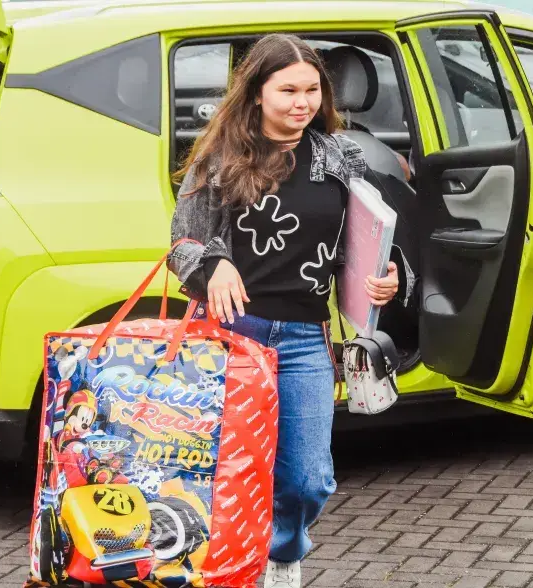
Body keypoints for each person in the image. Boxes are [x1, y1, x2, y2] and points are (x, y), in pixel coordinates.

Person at [167, 34, 403, 588]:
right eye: (288, 91)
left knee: (308, 479)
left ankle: (282, 551)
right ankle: (224, 564)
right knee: (226, 467)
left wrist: (389, 276)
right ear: (256, 92)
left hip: (303, 338)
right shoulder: (220, 158)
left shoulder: (339, 157)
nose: (303, 103)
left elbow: (366, 238)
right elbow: (182, 243)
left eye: (312, 90)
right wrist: (213, 265)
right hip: (232, 335)